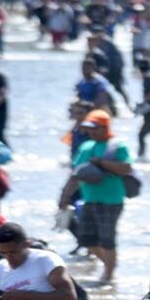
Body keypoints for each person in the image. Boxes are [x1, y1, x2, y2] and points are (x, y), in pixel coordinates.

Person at [60, 109, 130, 283]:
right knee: (86, 239)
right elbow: (75, 174)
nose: (90, 132)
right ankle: (110, 265)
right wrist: (65, 195)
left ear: (105, 127)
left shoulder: (117, 146)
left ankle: (109, 274)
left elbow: (126, 168)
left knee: (107, 239)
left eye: (95, 128)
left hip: (112, 200)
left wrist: (101, 162)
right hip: (89, 199)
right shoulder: (86, 147)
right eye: (89, 128)